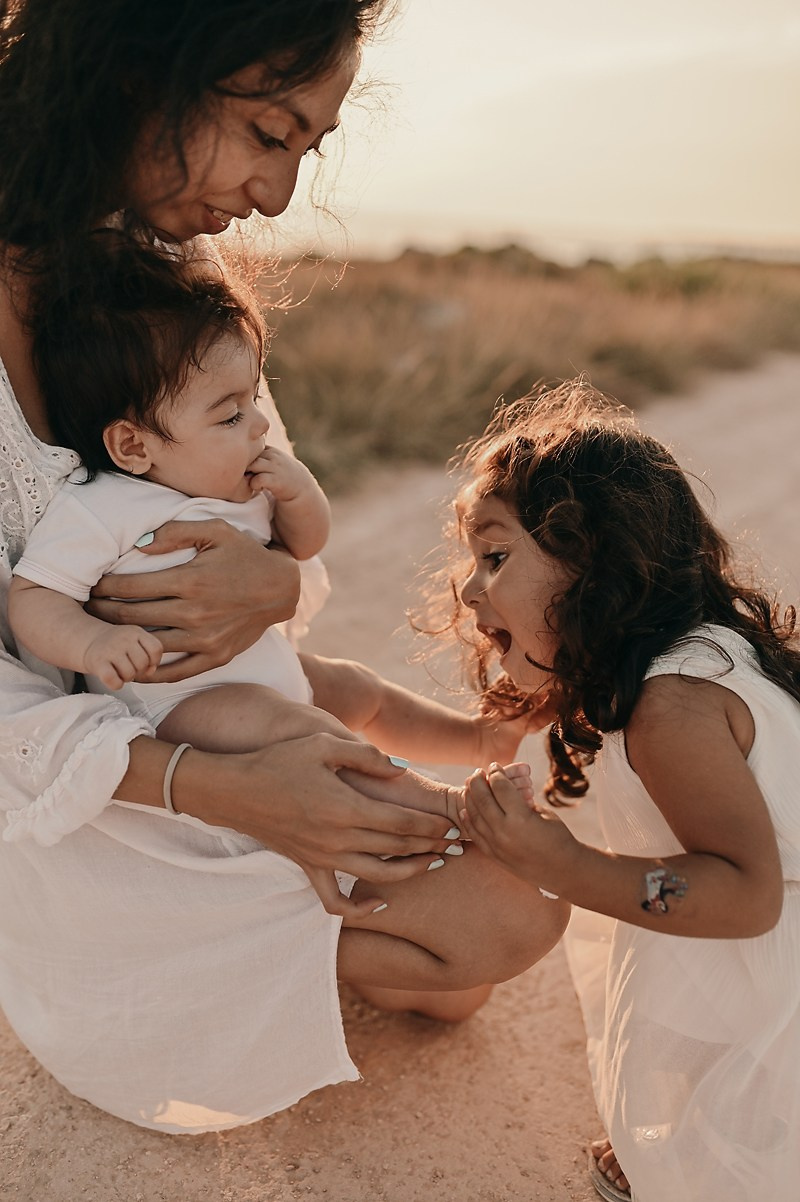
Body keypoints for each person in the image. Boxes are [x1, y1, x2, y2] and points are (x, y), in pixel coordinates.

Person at [0, 0, 570, 1133]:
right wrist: (225, 786)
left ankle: (317, 911)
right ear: (134, 69)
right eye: (269, 132)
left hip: (233, 712)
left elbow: (274, 511)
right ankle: (196, 948)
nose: (276, 196)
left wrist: (270, 584)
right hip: (81, 796)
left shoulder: (168, 264)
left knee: (493, 935)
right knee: (487, 921)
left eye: (306, 148)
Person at [8, 234, 538, 917]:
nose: (259, 425)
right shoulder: (102, 507)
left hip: (272, 665)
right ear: (132, 445)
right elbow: (34, 598)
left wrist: (297, 493)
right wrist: (93, 645)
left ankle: (478, 741)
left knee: (357, 687)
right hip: (188, 704)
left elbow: (306, 544)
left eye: (254, 399)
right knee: (313, 735)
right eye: (230, 413)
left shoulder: (243, 478)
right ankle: (448, 805)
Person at [434, 378, 799, 1202]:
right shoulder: (685, 653)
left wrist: (565, 865)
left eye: (495, 557)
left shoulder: (673, 709)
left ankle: (754, 1127)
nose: (467, 590)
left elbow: (745, 896)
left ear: (592, 565)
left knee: (661, 901)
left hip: (777, 944)